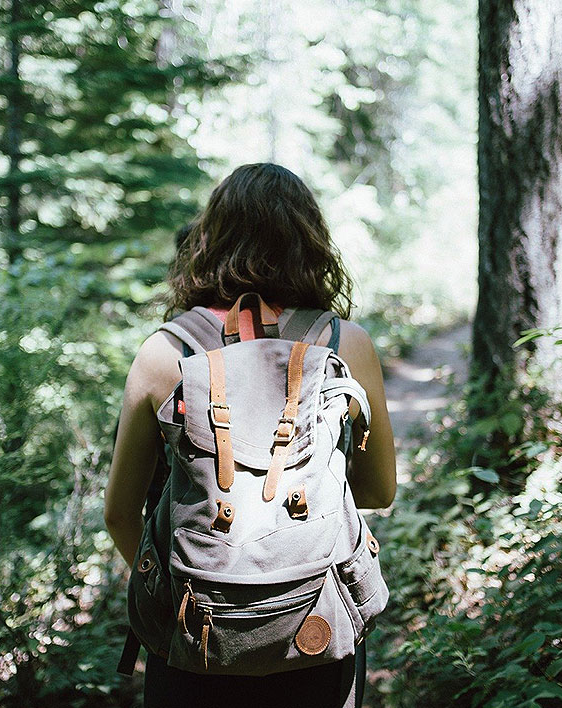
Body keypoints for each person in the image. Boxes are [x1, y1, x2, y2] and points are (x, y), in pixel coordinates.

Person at [103, 162, 397, 708]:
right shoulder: (345, 344)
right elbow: (379, 492)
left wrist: (195, 591)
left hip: (195, 642)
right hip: (317, 631)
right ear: (310, 243)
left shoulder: (164, 353)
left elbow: (120, 515)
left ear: (210, 241)